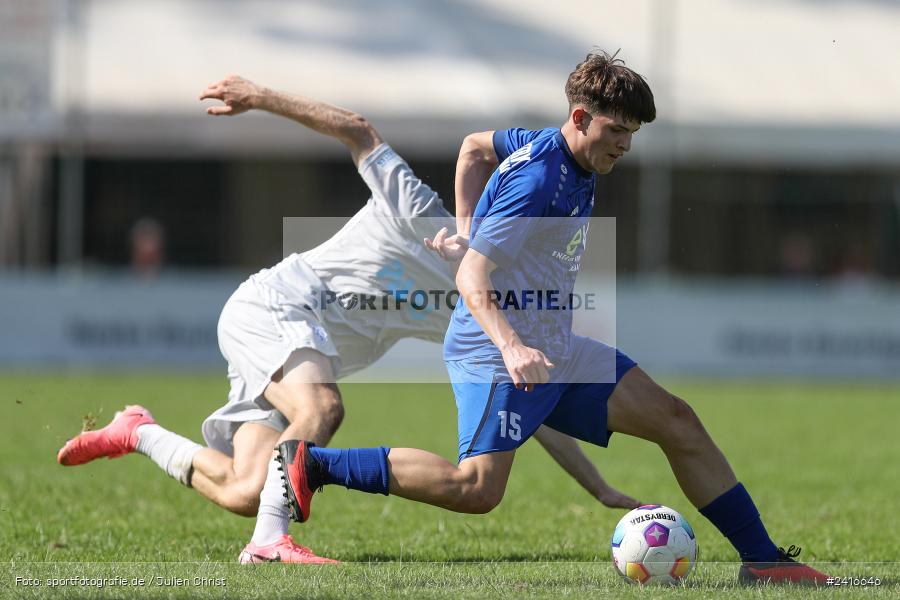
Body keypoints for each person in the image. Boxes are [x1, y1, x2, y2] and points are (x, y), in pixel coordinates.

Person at [278, 51, 829, 584]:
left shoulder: (550, 145)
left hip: (556, 348)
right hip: (497, 352)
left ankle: (764, 561)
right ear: (581, 118)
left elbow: (473, 147)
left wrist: (468, 226)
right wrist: (512, 344)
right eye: (617, 130)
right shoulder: (537, 181)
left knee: (676, 420)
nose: (626, 145)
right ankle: (316, 464)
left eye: (633, 133)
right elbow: (471, 278)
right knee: (476, 490)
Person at [56, 75, 639, 564]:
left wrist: (601, 488)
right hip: (274, 308)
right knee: (322, 411)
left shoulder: (482, 305)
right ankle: (268, 545)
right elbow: (358, 129)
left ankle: (137, 431)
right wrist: (258, 96)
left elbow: (528, 403)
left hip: (296, 349)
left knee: (246, 488)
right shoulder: (418, 210)